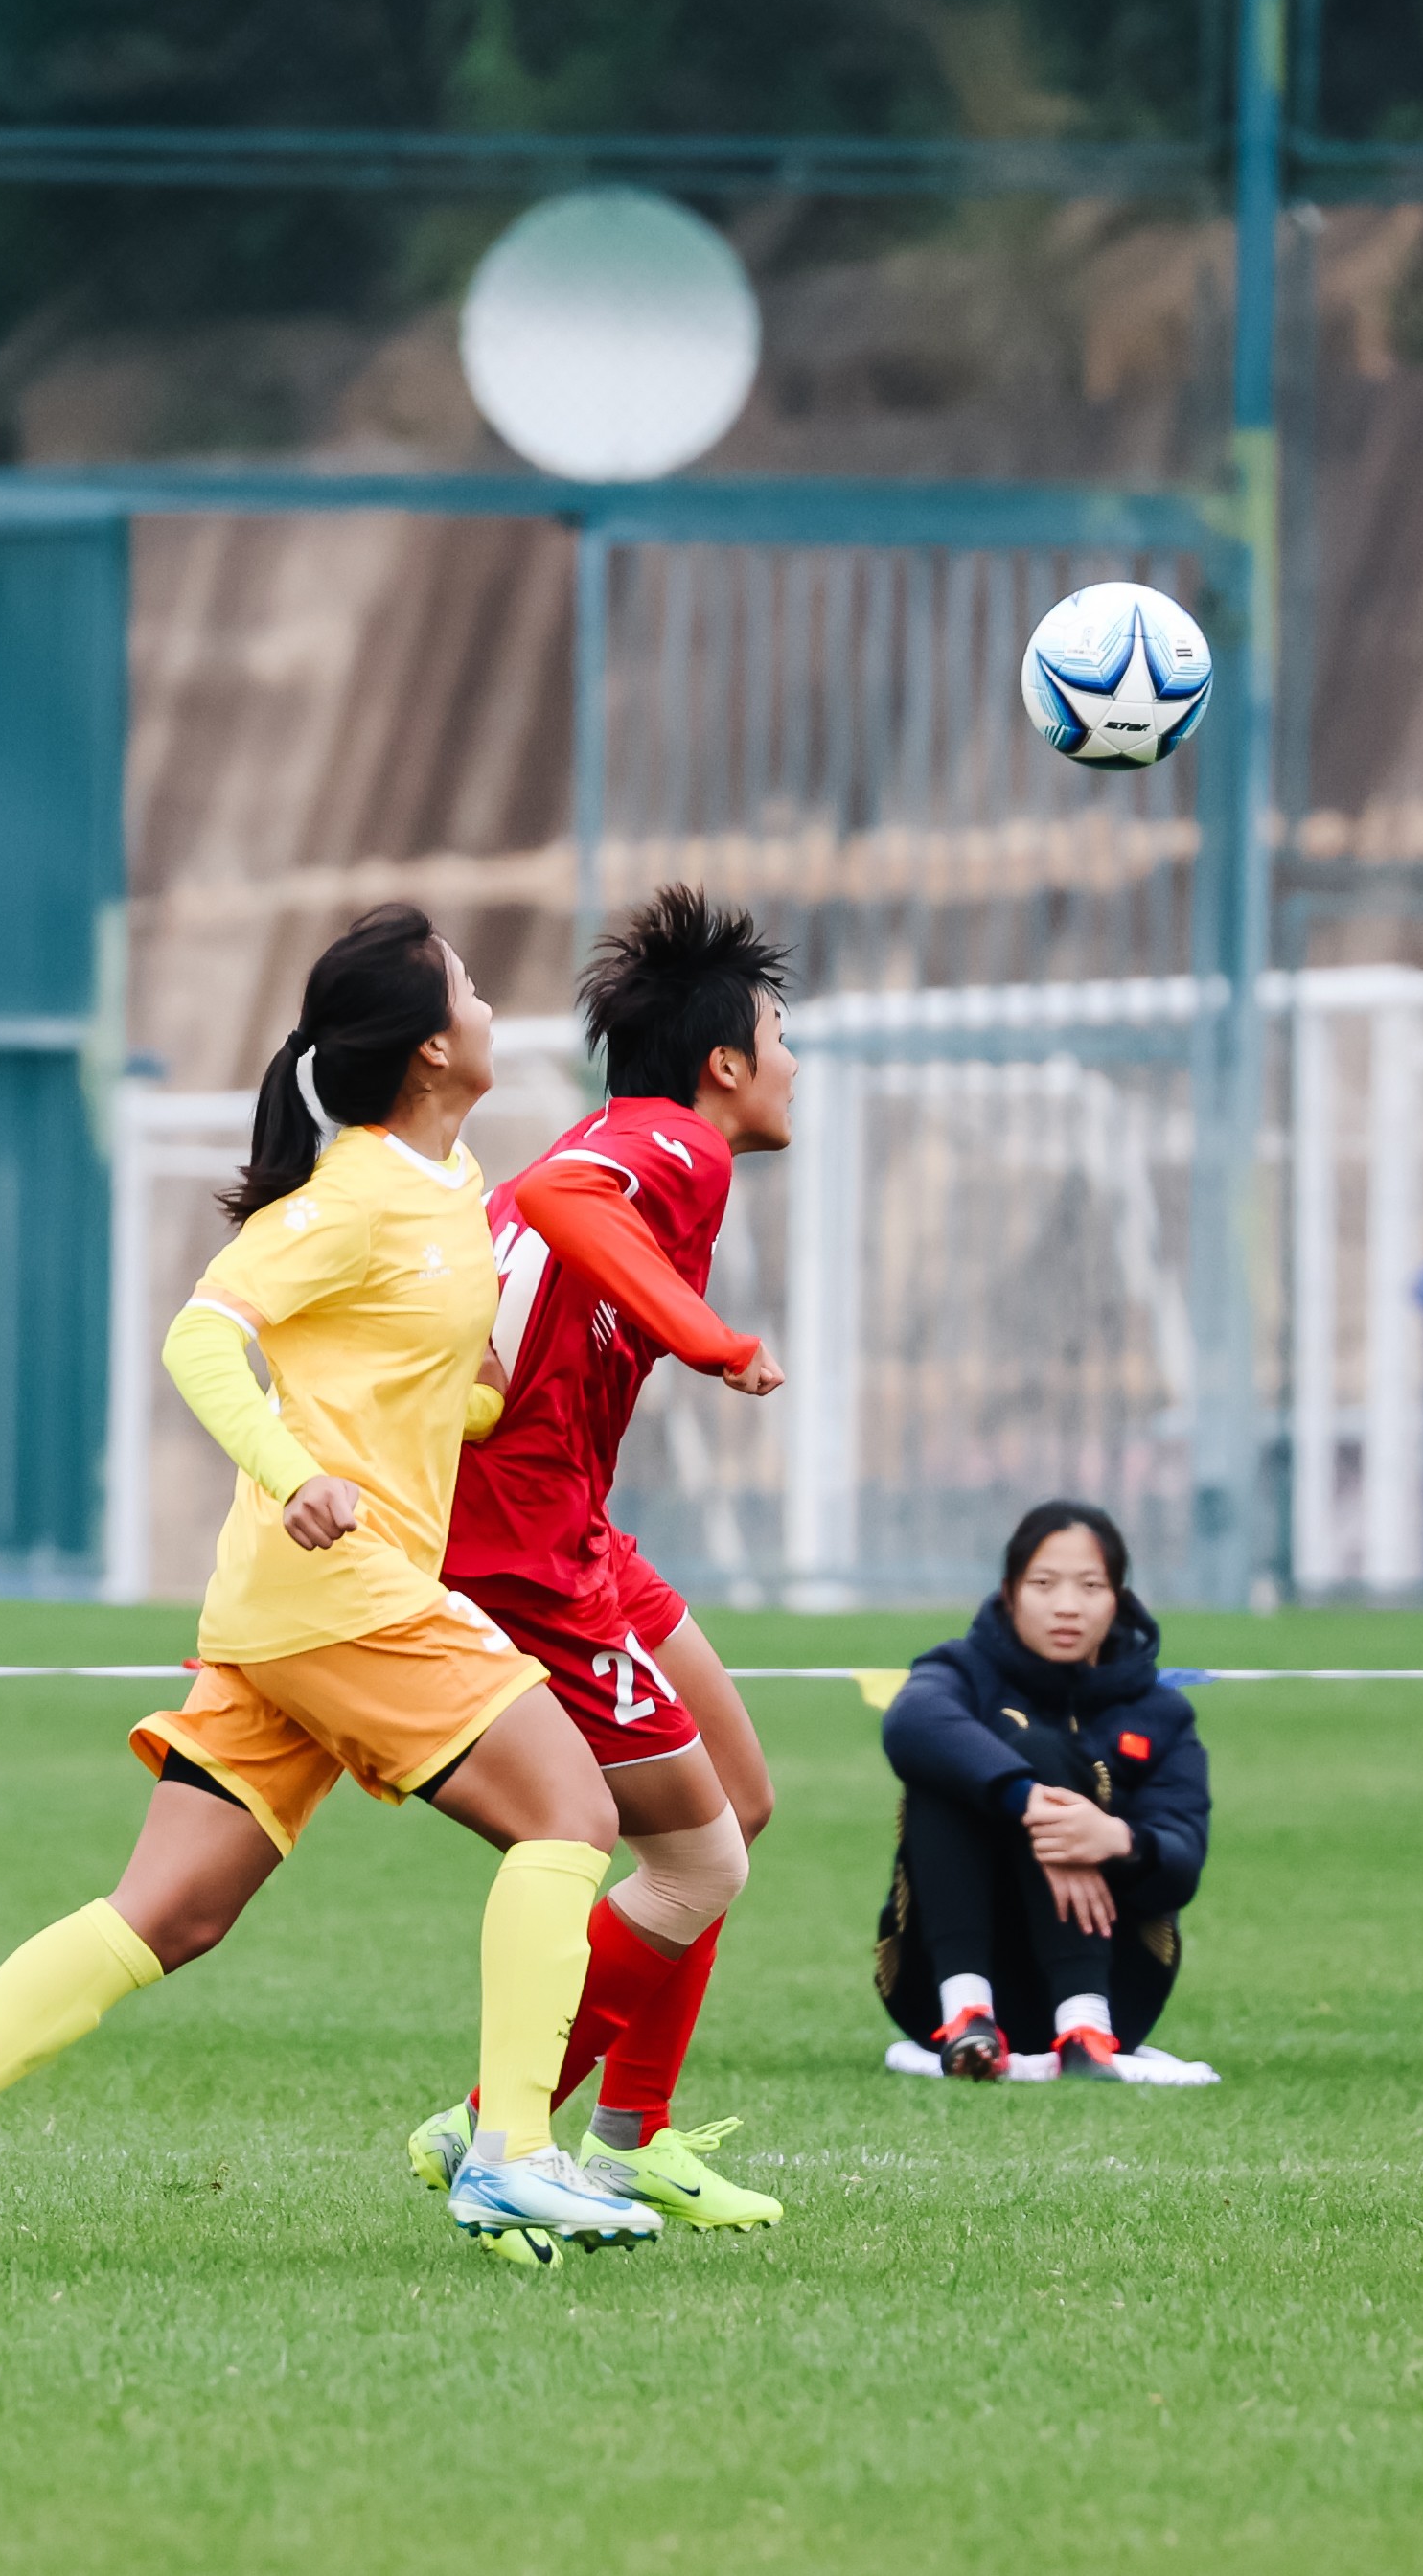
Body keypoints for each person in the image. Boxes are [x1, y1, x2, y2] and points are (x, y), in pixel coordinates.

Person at [0, 905, 658, 2272]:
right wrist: (294, 1467)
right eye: (468, 986)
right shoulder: (353, 1192)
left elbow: (425, 1386)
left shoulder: (450, 1192)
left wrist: (523, 1387)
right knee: (570, 1807)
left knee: (172, 1911)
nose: (493, 1003)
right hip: (341, 1588)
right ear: (431, 1046)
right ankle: (510, 2149)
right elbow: (201, 1337)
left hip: (283, 1612)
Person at [401, 886, 798, 2228]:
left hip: (567, 1520)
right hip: (519, 1549)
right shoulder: (675, 1144)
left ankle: (628, 2138)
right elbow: (559, 1195)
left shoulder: (629, 1132)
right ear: (724, 1063)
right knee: (696, 1862)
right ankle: (489, 2130)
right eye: (779, 1036)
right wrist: (708, 1335)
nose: (794, 1062)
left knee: (738, 1801)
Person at [875, 1500, 1210, 2080]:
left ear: (1119, 1599)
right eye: (1044, 1583)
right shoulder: (962, 1669)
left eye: (1089, 1585)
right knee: (963, 1765)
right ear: (1009, 1592)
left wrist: (1112, 1839)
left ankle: (1086, 2027)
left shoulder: (1161, 1713)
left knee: (1044, 1754)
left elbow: (1182, 1861)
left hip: (1118, 1988)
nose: (1066, 1606)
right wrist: (1032, 1803)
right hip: (932, 1988)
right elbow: (911, 1721)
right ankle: (967, 2013)